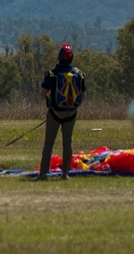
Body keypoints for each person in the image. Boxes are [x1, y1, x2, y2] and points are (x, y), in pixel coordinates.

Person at [38, 43, 86, 180]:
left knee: (49, 143)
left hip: (54, 113)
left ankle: (43, 173)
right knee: (67, 143)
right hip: (71, 114)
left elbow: (43, 94)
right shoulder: (79, 74)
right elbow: (83, 96)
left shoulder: (52, 73)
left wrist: (50, 101)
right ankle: (65, 174)